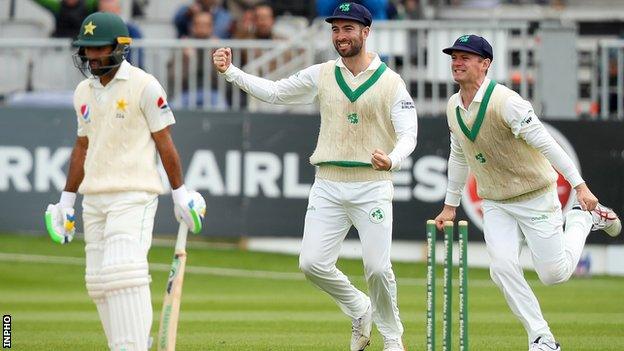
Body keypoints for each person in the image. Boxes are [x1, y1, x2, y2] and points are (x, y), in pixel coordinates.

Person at [213, 3, 417, 350]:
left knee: (378, 269)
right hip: (328, 183)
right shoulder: (322, 73)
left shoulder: (390, 82)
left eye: (348, 29)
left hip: (372, 184)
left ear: (366, 32)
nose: (341, 36)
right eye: (336, 29)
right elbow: (276, 92)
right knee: (311, 263)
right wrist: (232, 71)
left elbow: (408, 133)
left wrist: (394, 159)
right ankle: (358, 307)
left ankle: (393, 338)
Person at [433, 34, 621, 351]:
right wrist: (450, 206)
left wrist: (580, 186)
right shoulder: (453, 106)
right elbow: (458, 155)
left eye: (465, 57)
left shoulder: (508, 102)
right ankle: (541, 337)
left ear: (485, 64)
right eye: (454, 57)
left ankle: (582, 219)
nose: (457, 62)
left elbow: (548, 144)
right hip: (495, 201)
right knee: (502, 267)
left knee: (553, 275)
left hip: (534, 194)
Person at [43, 12, 206, 351]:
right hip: (94, 198)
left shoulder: (145, 86)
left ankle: (130, 346)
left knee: (123, 272)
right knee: (99, 283)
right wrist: (66, 201)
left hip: (135, 193)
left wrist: (180, 193)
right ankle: (131, 344)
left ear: (119, 47)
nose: (91, 57)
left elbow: (165, 143)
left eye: (98, 49)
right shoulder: (83, 91)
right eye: (87, 50)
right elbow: (82, 146)